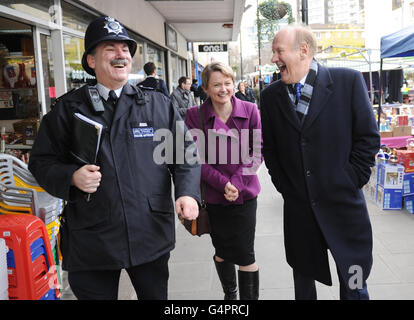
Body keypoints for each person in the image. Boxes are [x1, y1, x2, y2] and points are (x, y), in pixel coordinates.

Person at [28, 16, 201, 300]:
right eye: (110, 47)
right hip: (92, 240)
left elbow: (185, 155)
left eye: (125, 48)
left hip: (149, 232)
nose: (121, 54)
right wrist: (71, 176)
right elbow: (41, 162)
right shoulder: (68, 110)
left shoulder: (157, 104)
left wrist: (188, 194)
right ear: (91, 61)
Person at [260, 25, 380, 300]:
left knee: (355, 282)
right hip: (299, 212)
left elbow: (368, 138)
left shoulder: (348, 81)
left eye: (279, 51)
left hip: (344, 209)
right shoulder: (270, 96)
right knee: (303, 284)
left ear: (303, 51)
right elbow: (271, 149)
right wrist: (286, 187)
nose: (274, 59)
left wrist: (350, 179)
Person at [185, 62, 263, 300]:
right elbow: (194, 159)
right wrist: (223, 184)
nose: (223, 89)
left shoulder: (250, 110)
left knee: (246, 253)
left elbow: (257, 151)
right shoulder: (193, 115)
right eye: (216, 84)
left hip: (245, 195)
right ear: (206, 88)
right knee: (221, 250)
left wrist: (237, 184)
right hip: (214, 196)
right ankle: (230, 295)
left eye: (228, 83)